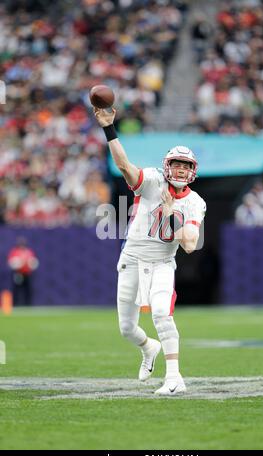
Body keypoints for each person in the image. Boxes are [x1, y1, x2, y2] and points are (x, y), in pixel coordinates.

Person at [94, 107, 206, 395]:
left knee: (160, 313)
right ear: (167, 166)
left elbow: (190, 244)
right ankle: (149, 348)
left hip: (162, 263)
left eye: (186, 166)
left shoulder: (195, 202)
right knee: (127, 328)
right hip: (131, 259)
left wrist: (170, 213)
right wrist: (109, 128)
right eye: (177, 164)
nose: (181, 170)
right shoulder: (153, 180)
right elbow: (123, 166)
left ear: (192, 171)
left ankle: (174, 378)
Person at [7, 237, 39, 306]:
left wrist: (30, 263)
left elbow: (33, 262)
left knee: (28, 290)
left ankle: (28, 305)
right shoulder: (14, 251)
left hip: (27, 273)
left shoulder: (29, 251)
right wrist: (18, 263)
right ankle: (15, 305)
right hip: (18, 274)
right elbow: (11, 262)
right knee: (16, 290)